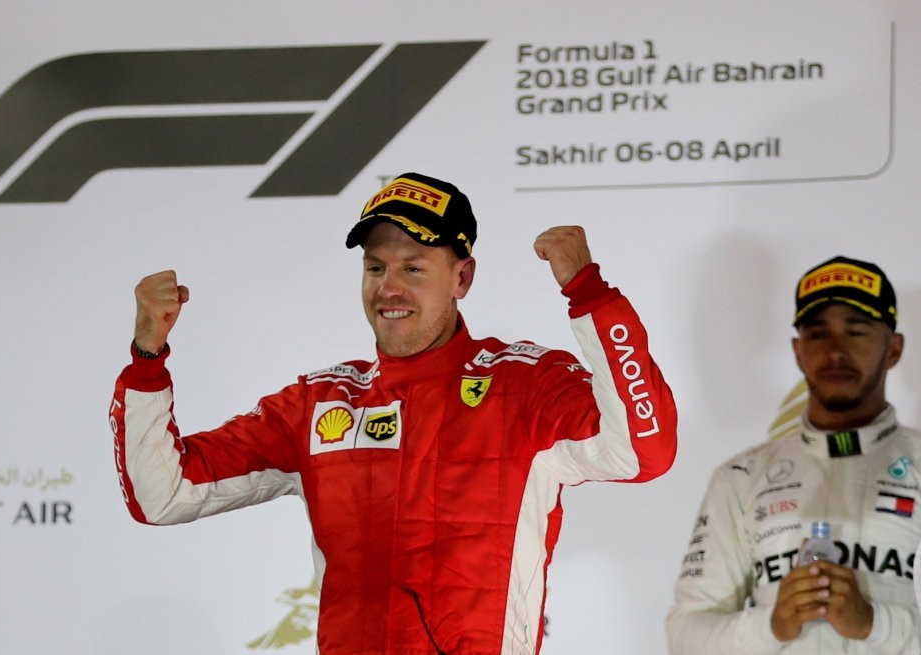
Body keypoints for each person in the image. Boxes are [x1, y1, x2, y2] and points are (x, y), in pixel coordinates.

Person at [109, 171, 678, 654]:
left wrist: (590, 294)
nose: (389, 289)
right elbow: (163, 493)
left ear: (462, 278)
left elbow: (643, 450)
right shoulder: (320, 403)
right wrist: (147, 360)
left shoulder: (524, 386)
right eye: (376, 268)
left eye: (413, 268)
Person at [667, 255, 921, 654]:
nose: (835, 351)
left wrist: (874, 623)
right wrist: (772, 626)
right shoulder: (741, 477)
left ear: (894, 348)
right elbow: (686, 637)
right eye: (818, 334)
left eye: (856, 331)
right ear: (797, 350)